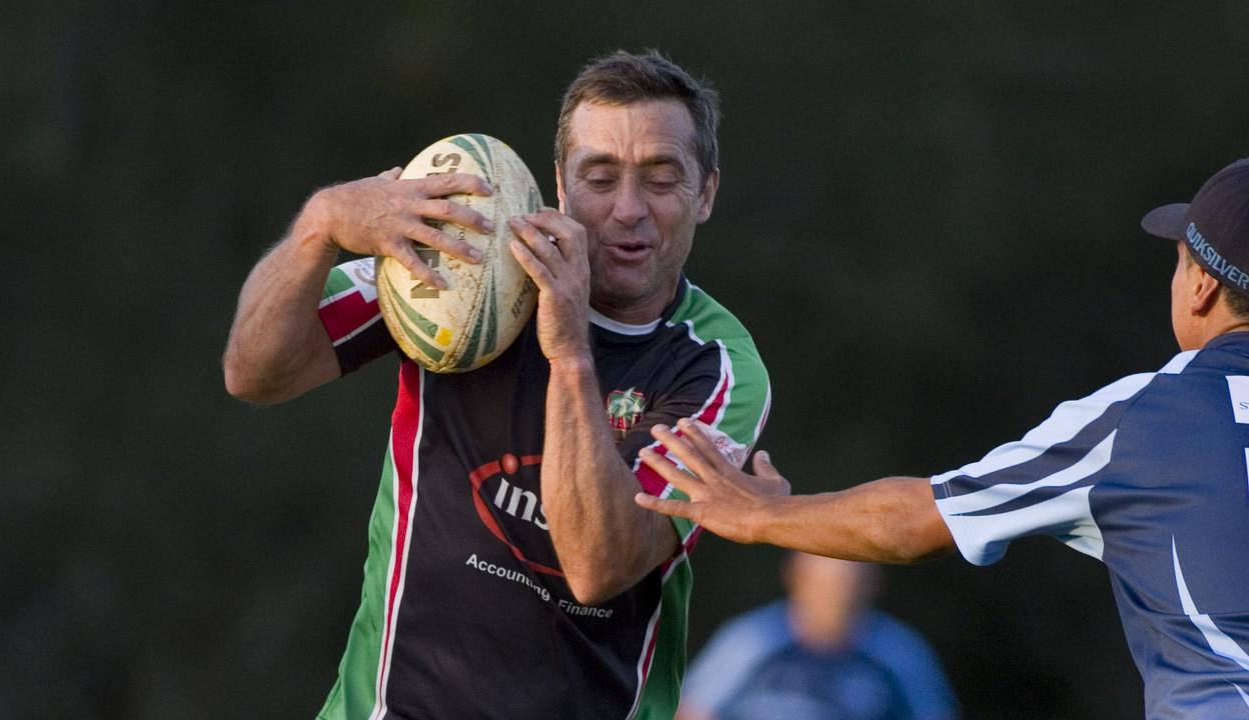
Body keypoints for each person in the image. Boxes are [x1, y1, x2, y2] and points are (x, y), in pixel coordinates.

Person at [223, 50, 771, 719]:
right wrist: (323, 225)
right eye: (600, 177)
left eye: (661, 179)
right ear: (560, 188)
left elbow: (597, 567)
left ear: (706, 192)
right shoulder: (470, 270)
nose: (629, 209)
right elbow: (254, 372)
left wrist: (569, 349)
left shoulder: (716, 366)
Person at [635, 158, 1249, 719]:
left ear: (1199, 286)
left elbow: (914, 521)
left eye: (1178, 261)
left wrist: (763, 513)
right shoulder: (760, 646)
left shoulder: (1140, 418)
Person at [677, 553, 959, 720]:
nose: (837, 598)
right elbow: (694, 711)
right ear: (796, 580)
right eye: (826, 586)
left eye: (848, 586)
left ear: (871, 587)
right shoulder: (751, 640)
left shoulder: (898, 652)